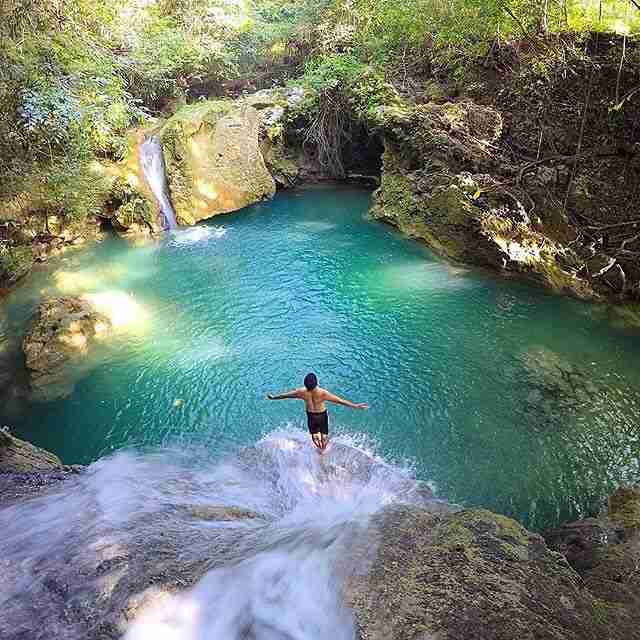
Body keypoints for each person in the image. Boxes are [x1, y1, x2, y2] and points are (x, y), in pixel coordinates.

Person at [267, 372, 368, 451]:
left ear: (305, 384)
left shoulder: (301, 392)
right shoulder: (323, 393)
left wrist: (274, 397)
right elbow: (340, 401)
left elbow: (286, 395)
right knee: (324, 436)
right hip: (322, 416)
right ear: (317, 383)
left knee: (315, 437)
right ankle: (323, 449)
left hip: (311, 416)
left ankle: (319, 448)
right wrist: (355, 406)